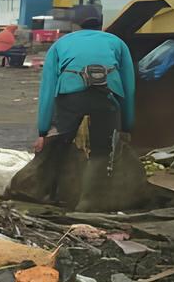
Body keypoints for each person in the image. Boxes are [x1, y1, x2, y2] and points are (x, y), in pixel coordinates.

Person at [32, 15, 135, 206]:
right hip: (106, 96)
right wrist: (127, 127)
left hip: (69, 95)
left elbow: (47, 90)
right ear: (101, 27)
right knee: (102, 152)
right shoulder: (117, 43)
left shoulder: (61, 43)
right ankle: (88, 201)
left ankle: (47, 194)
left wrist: (43, 132)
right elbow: (129, 88)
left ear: (76, 27)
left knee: (59, 145)